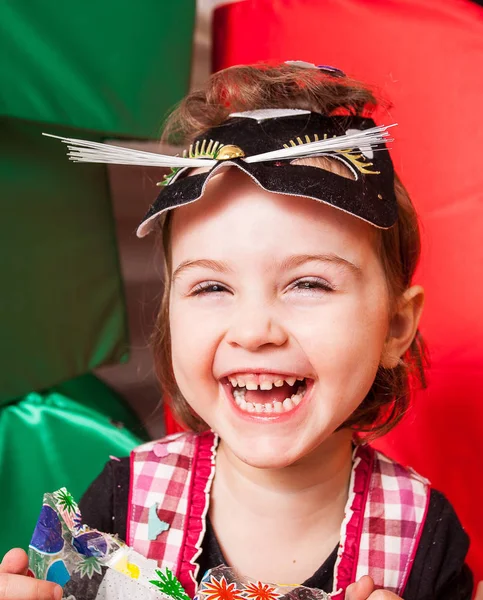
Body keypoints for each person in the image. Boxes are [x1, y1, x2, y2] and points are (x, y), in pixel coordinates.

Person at [0, 63, 476, 600]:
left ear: (395, 326)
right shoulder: (123, 500)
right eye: (211, 288)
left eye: (309, 283)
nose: (254, 331)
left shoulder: (422, 537)